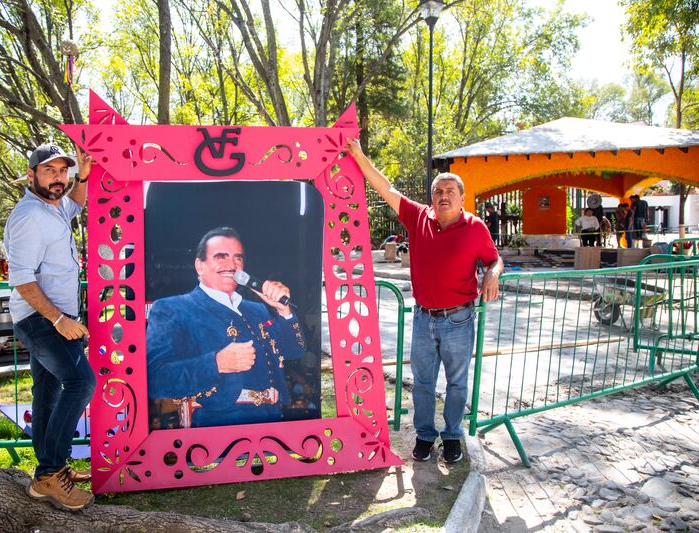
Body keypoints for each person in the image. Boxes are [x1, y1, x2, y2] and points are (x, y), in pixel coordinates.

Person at [344, 138, 502, 464]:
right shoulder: (418, 218)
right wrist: (358, 155)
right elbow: (386, 187)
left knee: (457, 384)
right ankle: (425, 436)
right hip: (423, 318)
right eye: (438, 192)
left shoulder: (475, 228)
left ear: (461, 199)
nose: (443, 197)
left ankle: (453, 436)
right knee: (423, 384)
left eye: (450, 192)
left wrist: (493, 273)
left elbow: (494, 259)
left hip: (459, 319)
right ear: (432, 198)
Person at [4, 143, 96, 511]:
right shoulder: (29, 216)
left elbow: (76, 202)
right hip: (42, 319)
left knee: (46, 391)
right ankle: (50, 471)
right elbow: (22, 280)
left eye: (63, 171)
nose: (59, 178)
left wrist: (84, 177)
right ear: (31, 175)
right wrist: (60, 321)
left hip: (49, 318)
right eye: (49, 171)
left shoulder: (55, 207)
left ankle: (47, 471)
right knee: (80, 382)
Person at [146, 227, 308, 429]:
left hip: (271, 426)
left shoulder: (258, 309)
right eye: (220, 257)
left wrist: (284, 312)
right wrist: (216, 363)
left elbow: (295, 350)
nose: (231, 265)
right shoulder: (173, 309)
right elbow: (155, 378)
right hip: (214, 431)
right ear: (199, 265)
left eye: (238, 258)